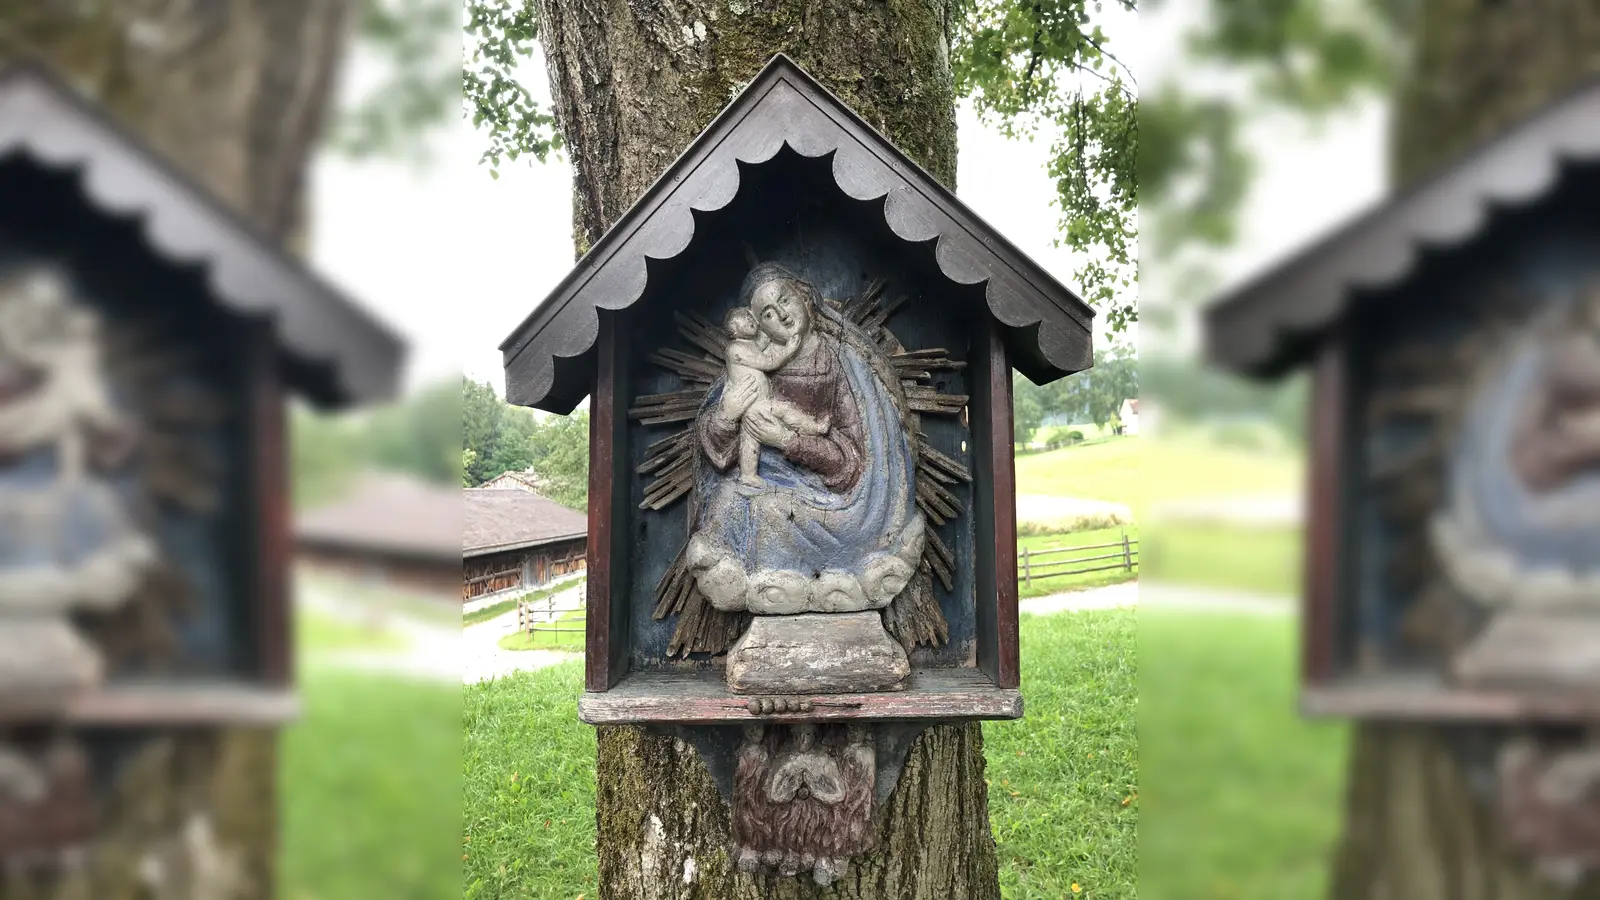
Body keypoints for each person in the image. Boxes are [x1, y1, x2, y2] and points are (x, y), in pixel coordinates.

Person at [722, 306, 828, 486]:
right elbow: (768, 362)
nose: (752, 322)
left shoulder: (747, 344)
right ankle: (815, 428)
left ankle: (747, 475)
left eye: (751, 318)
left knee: (750, 440)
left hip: (757, 405)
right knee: (785, 412)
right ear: (734, 331)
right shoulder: (735, 349)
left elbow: (761, 344)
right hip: (754, 405)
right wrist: (789, 349)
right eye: (746, 321)